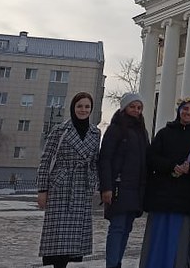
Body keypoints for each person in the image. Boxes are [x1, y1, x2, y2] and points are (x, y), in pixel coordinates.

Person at [140, 97, 190, 268]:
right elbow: (152, 157)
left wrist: (189, 169)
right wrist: (172, 166)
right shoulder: (165, 133)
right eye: (185, 109)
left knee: (180, 240)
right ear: (179, 111)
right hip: (163, 195)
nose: (188, 113)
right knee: (158, 237)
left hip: (186, 198)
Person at [37, 91, 100, 268]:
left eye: (87, 106)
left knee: (72, 240)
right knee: (58, 236)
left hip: (82, 186)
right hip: (61, 186)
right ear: (73, 108)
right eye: (79, 106)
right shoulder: (60, 131)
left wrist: (94, 183)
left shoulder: (95, 133)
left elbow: (95, 161)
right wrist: (42, 190)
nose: (83, 110)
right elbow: (46, 159)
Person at [99, 92, 149, 268]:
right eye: (132, 106)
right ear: (124, 108)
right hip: (119, 186)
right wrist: (106, 187)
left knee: (126, 228)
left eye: (139, 107)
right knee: (118, 227)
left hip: (135, 188)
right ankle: (112, 265)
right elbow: (105, 158)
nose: (136, 110)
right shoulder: (116, 129)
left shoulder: (141, 131)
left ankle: (117, 262)